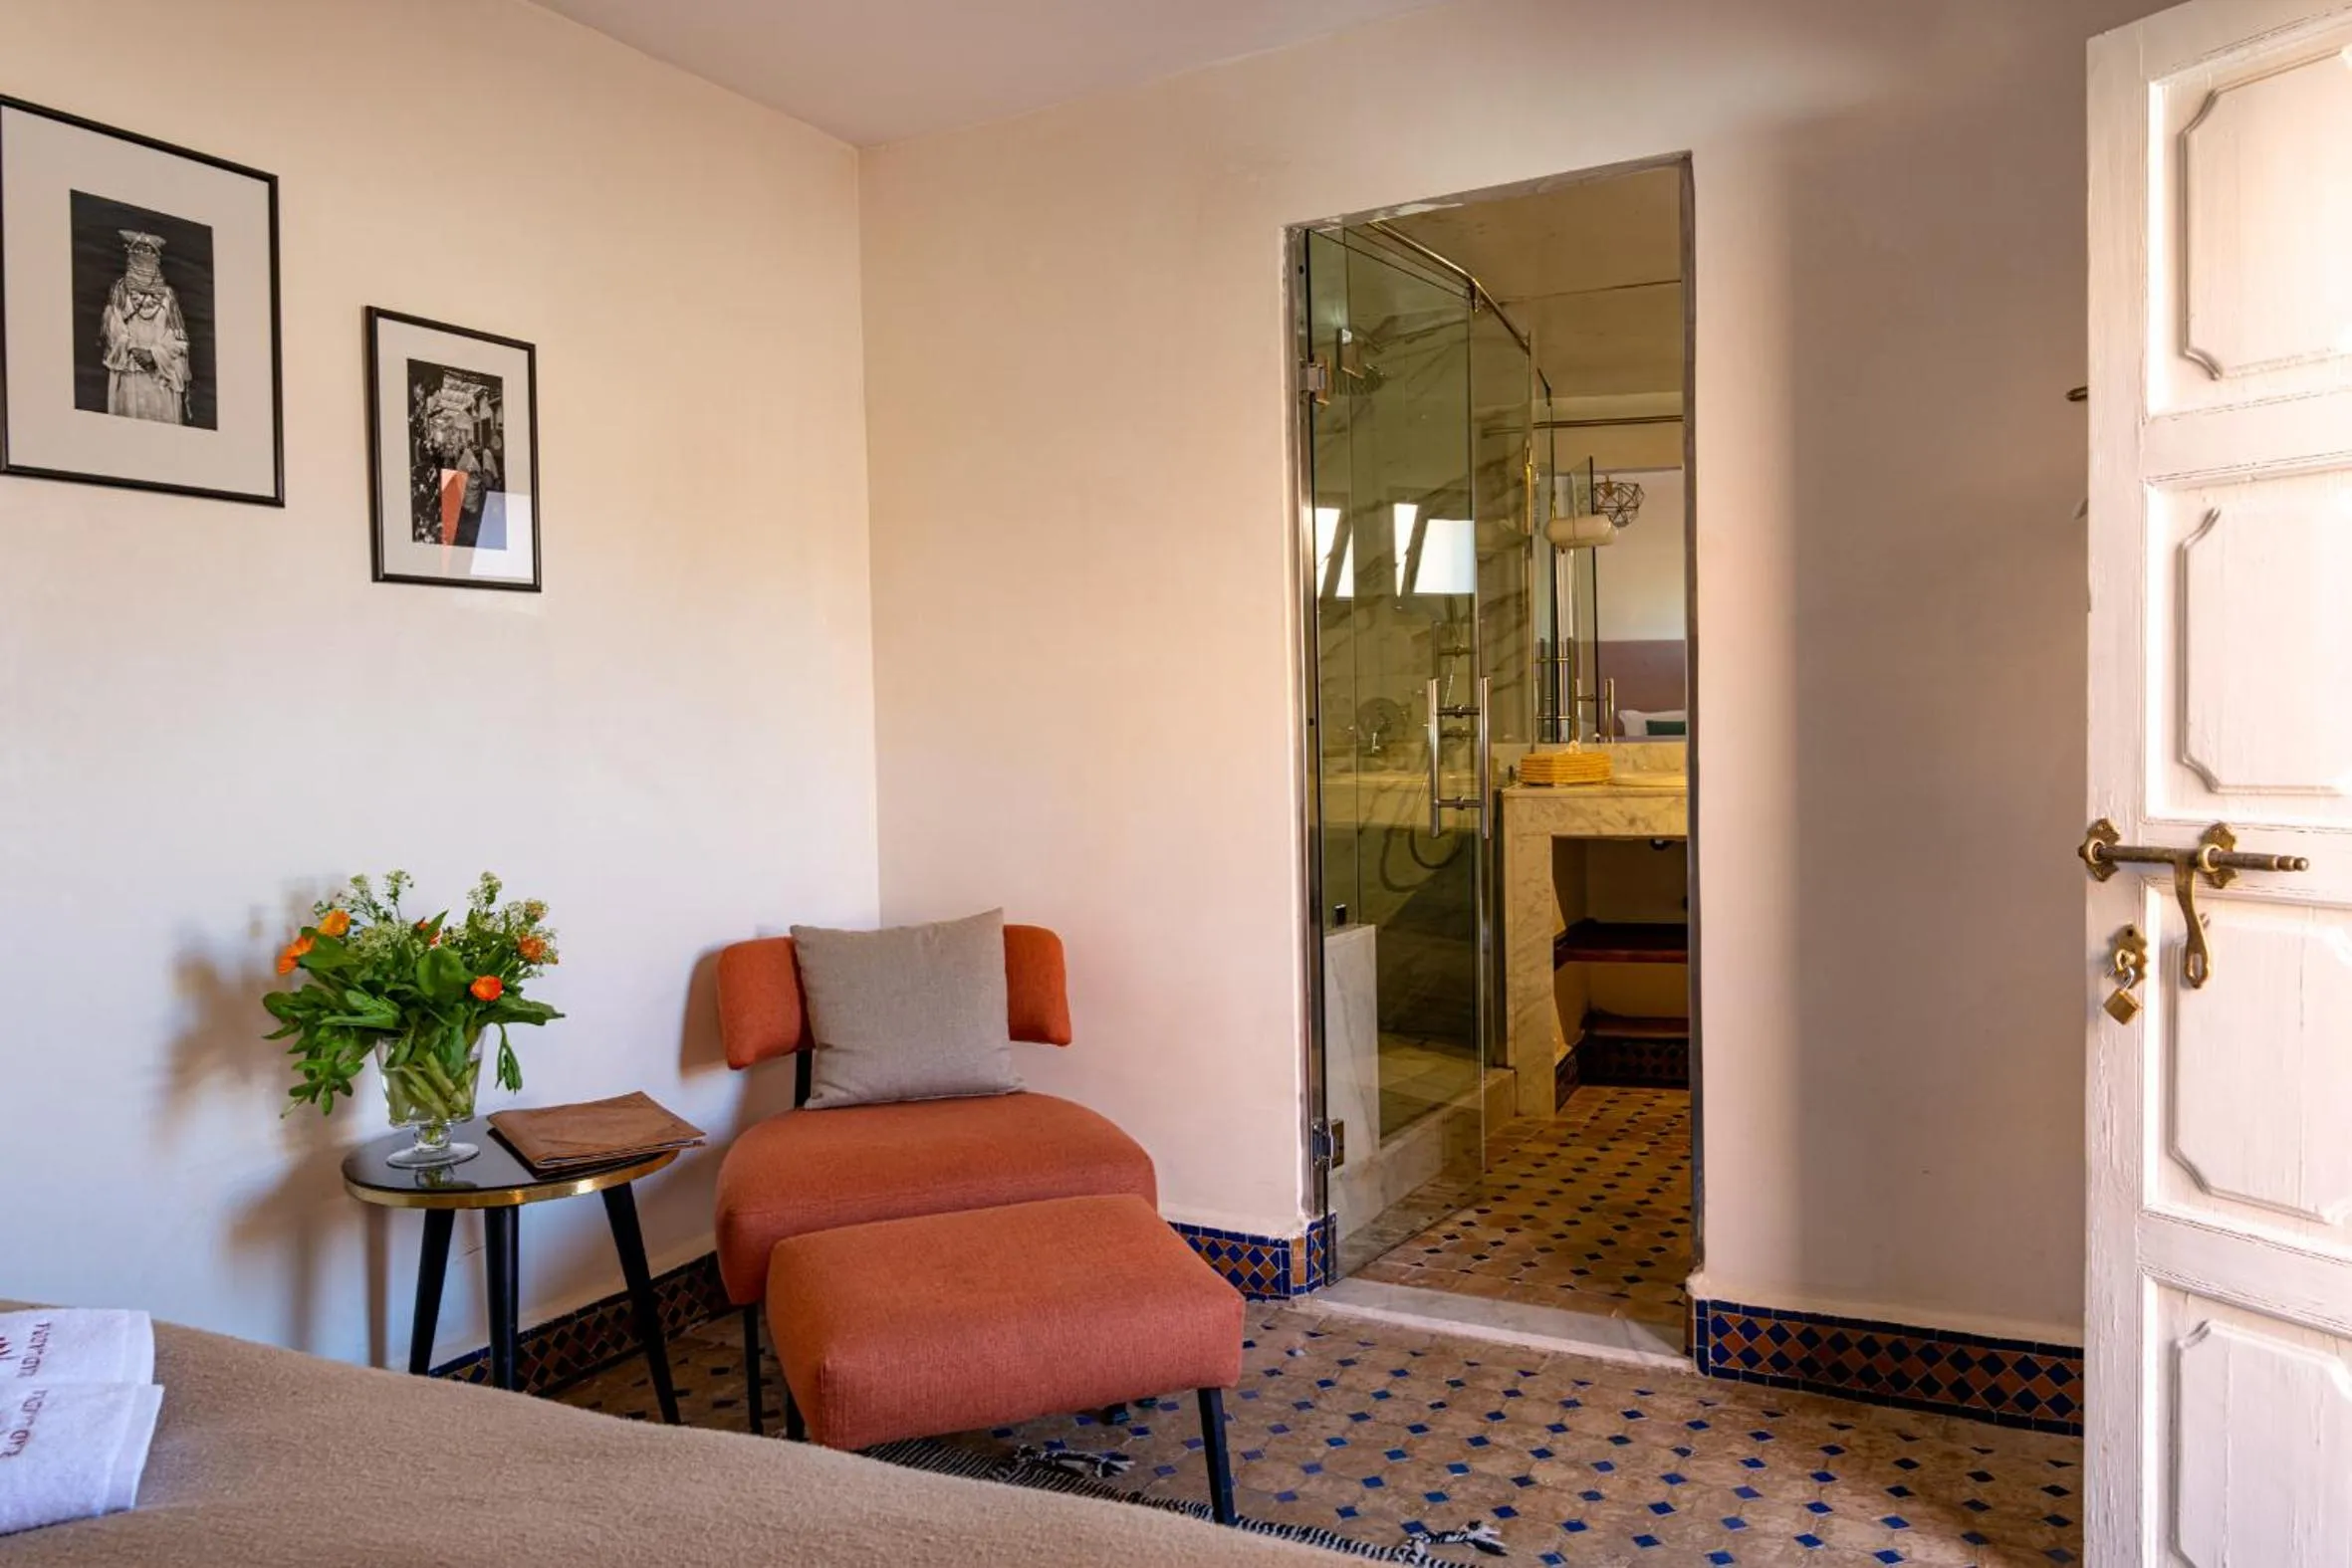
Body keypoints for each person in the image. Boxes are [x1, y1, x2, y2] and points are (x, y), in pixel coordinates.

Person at [99, 231, 191, 425]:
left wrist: (155, 354)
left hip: (159, 378)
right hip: (129, 375)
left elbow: (179, 340)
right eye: (138, 251)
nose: (143, 256)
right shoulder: (120, 291)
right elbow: (112, 328)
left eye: (147, 252)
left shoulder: (167, 297)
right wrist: (131, 346)